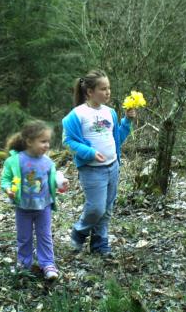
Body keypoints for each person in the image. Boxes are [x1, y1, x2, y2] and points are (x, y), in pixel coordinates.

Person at [62, 69, 136, 257]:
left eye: (109, 88)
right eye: (103, 89)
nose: (108, 92)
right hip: (91, 169)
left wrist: (127, 121)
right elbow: (68, 140)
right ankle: (80, 231)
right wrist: (90, 153)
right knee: (96, 207)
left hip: (113, 166)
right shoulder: (77, 115)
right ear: (90, 92)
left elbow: (117, 138)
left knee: (107, 208)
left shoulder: (110, 113)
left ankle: (99, 243)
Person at [1, 120, 68, 280]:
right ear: (29, 141)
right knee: (24, 237)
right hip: (23, 207)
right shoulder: (15, 160)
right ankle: (24, 264)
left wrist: (61, 183)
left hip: (43, 207)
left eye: (48, 142)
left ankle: (48, 264)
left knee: (44, 235)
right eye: (43, 141)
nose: (47, 145)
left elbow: (51, 180)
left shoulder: (48, 162)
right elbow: (6, 179)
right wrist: (8, 189)